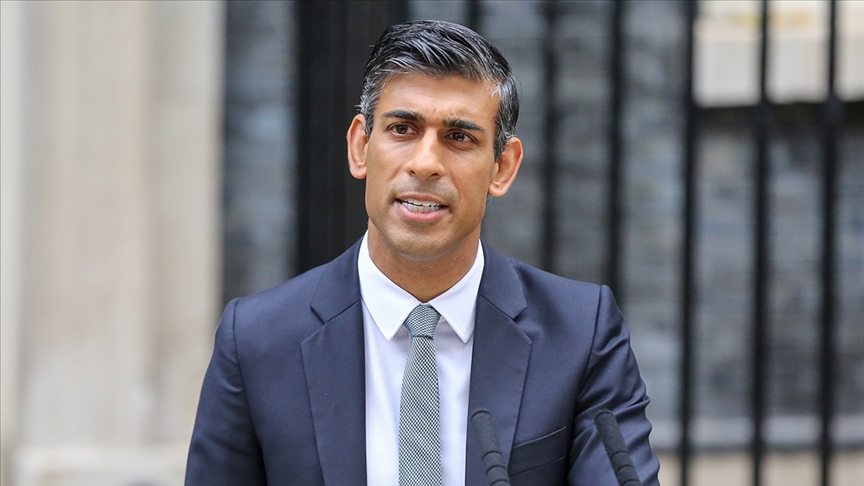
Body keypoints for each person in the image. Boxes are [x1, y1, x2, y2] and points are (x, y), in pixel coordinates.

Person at [186, 20, 660, 486]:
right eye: (402, 129)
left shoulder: (579, 333)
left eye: (459, 137)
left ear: (502, 167)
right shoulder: (257, 339)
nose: (425, 163)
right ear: (360, 147)